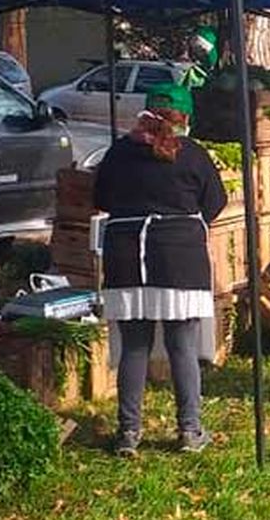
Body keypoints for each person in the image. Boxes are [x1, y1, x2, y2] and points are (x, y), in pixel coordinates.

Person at [95, 84, 227, 456]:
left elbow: (100, 199)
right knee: (181, 346)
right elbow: (215, 203)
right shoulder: (194, 154)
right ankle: (189, 431)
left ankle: (128, 434)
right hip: (179, 256)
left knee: (134, 346)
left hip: (125, 255)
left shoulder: (119, 152)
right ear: (184, 118)